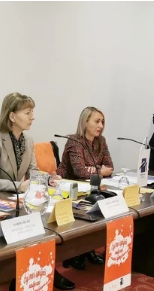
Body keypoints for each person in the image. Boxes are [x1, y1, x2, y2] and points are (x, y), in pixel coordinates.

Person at [0, 92, 75, 291]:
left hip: (20, 200)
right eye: (27, 113)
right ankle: (23, 276)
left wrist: (48, 178)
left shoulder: (28, 139)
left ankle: (42, 272)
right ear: (12, 116)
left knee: (44, 219)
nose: (32, 117)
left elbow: (33, 170)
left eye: (32, 112)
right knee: (33, 221)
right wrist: (19, 186)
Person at [56, 106, 112, 271]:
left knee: (103, 204)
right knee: (89, 207)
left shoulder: (101, 141)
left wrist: (93, 169)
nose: (101, 125)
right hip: (70, 188)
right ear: (85, 122)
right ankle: (74, 253)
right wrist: (99, 170)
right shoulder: (75, 141)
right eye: (97, 121)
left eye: (102, 122)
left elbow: (109, 167)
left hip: (90, 187)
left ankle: (88, 249)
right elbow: (79, 171)